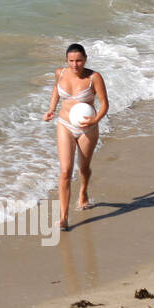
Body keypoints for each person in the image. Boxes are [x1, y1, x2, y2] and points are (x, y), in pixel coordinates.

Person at [42, 43, 109, 230]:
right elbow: (56, 89)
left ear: (85, 59)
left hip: (88, 128)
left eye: (79, 60)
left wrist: (95, 120)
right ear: (66, 60)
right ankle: (63, 217)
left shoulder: (94, 77)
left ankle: (83, 192)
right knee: (65, 171)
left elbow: (104, 104)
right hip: (64, 125)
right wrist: (51, 109)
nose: (75, 64)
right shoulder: (60, 73)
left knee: (84, 167)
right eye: (71, 60)